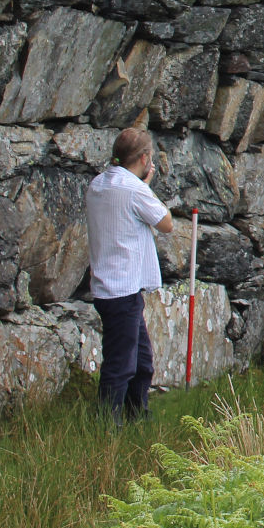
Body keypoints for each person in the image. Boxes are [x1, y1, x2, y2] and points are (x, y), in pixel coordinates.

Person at [85, 127, 174, 422]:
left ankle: (138, 417)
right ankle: (108, 427)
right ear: (145, 158)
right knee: (121, 364)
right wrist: (146, 185)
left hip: (108, 286)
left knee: (141, 362)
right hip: (122, 288)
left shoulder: (98, 183)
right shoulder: (134, 189)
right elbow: (166, 223)